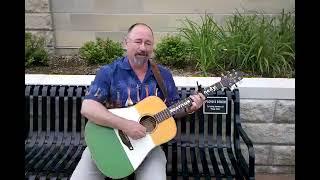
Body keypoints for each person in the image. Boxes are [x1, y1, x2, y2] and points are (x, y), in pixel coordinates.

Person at [70, 23, 205, 180]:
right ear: (126, 43)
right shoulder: (109, 72)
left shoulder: (163, 75)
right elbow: (88, 107)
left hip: (149, 147)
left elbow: (172, 108)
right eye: (138, 41)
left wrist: (189, 107)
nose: (143, 48)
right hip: (107, 141)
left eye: (148, 43)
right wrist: (125, 125)